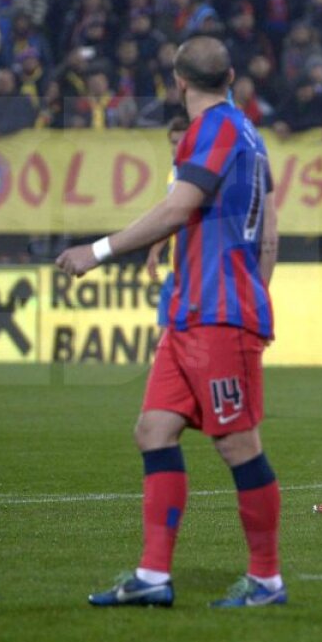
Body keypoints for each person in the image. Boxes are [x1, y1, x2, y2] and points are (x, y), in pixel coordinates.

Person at [56, 36, 285, 609]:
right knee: (153, 430)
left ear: (178, 81)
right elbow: (272, 232)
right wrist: (254, 291)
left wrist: (100, 250)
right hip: (191, 315)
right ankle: (153, 576)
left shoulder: (212, 131)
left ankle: (266, 580)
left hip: (217, 317)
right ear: (231, 74)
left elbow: (179, 206)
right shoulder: (252, 137)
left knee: (237, 445)